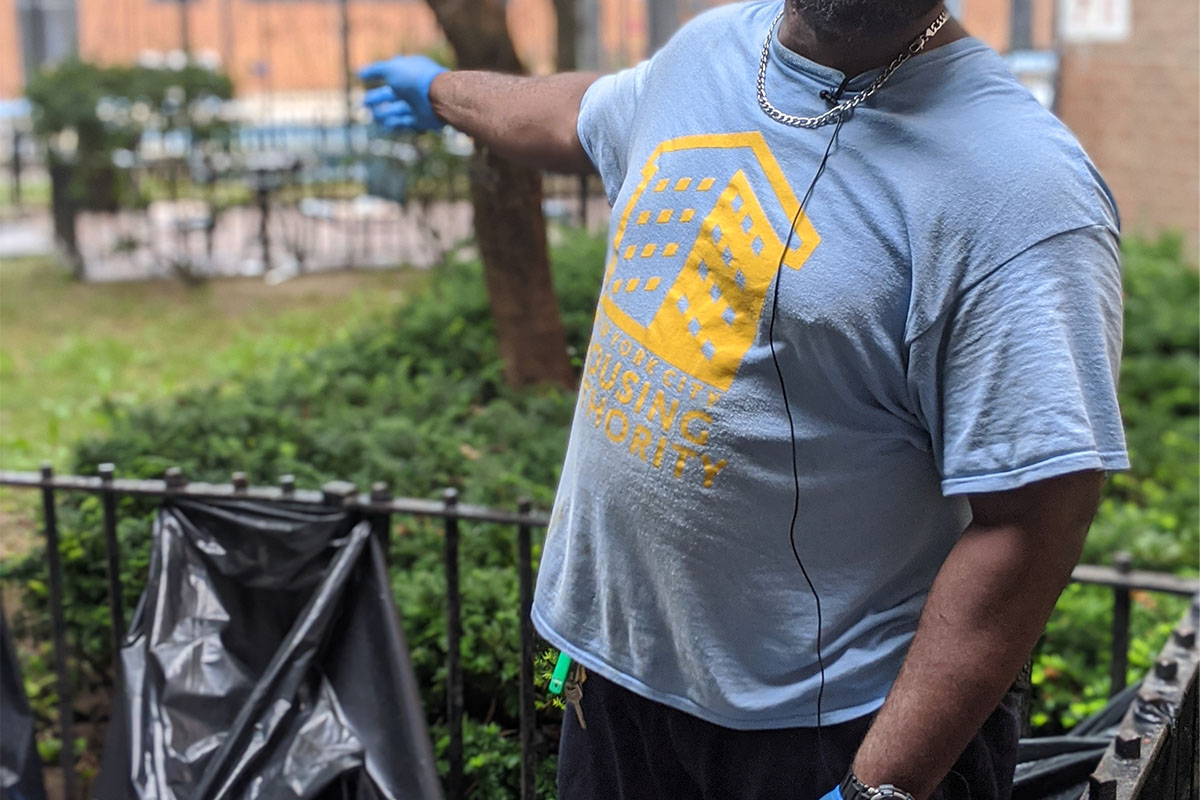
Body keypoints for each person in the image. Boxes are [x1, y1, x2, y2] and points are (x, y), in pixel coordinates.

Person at [360, 1, 1128, 798]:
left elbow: (1035, 526)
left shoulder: (1026, 196)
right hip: (616, 683)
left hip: (826, 733)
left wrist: (879, 789)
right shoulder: (714, 48)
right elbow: (578, 114)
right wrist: (441, 94)